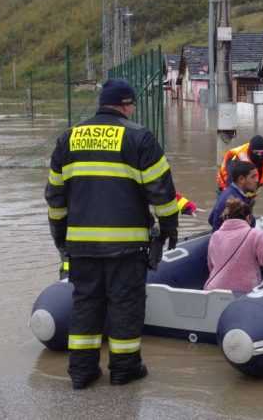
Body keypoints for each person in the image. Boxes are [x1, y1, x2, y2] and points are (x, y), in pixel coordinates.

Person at [45, 78, 180, 390]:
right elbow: (161, 192)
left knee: (86, 305)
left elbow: (55, 197)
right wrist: (169, 228)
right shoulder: (139, 138)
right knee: (125, 304)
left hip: (81, 246)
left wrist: (61, 239)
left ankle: (81, 371)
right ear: (125, 104)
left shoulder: (68, 139)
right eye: (131, 105)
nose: (132, 110)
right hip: (126, 246)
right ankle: (124, 369)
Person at [205, 198, 263, 293]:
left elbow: (211, 265)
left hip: (213, 289)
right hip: (242, 291)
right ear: (248, 218)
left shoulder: (215, 236)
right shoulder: (255, 234)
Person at [216, 135, 263, 214]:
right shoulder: (239, 160)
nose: (259, 155)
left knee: (247, 216)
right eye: (256, 153)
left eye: (262, 152)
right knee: (228, 214)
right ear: (251, 151)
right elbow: (232, 186)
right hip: (227, 190)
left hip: (249, 193)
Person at [208, 161, 258, 233]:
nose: (256, 180)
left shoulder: (226, 192)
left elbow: (211, 219)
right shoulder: (237, 202)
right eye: (253, 177)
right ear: (241, 179)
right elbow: (247, 230)